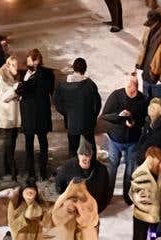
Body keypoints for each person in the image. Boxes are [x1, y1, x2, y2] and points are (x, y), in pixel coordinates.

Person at [103, 69, 149, 195]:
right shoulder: (116, 96)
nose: (130, 89)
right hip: (115, 140)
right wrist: (119, 117)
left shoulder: (143, 100)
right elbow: (105, 115)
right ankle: (107, 195)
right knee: (112, 168)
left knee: (130, 170)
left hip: (133, 141)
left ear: (137, 86)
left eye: (132, 86)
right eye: (128, 86)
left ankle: (127, 196)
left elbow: (145, 120)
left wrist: (135, 123)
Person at [13, 50, 57, 181]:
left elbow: (22, 89)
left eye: (30, 61)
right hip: (31, 114)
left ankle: (38, 171)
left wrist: (29, 78)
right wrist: (27, 78)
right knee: (32, 145)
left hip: (37, 113)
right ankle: (34, 172)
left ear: (37, 60)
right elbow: (19, 90)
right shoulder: (27, 74)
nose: (28, 65)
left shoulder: (44, 74)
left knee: (39, 144)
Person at [55, 57, 101, 162]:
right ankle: (90, 172)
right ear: (85, 69)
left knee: (73, 150)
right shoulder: (90, 85)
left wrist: (67, 113)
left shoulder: (63, 86)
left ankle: (74, 173)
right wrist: (93, 118)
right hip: (87, 124)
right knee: (90, 149)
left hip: (72, 124)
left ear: (73, 68)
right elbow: (97, 104)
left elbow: (57, 103)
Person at [56, 136, 114, 210]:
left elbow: (106, 190)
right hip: (75, 209)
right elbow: (59, 185)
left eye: (87, 154)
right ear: (78, 155)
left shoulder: (101, 169)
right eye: (81, 154)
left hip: (94, 208)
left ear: (91, 155)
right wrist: (67, 202)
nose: (85, 157)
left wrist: (99, 208)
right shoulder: (67, 167)